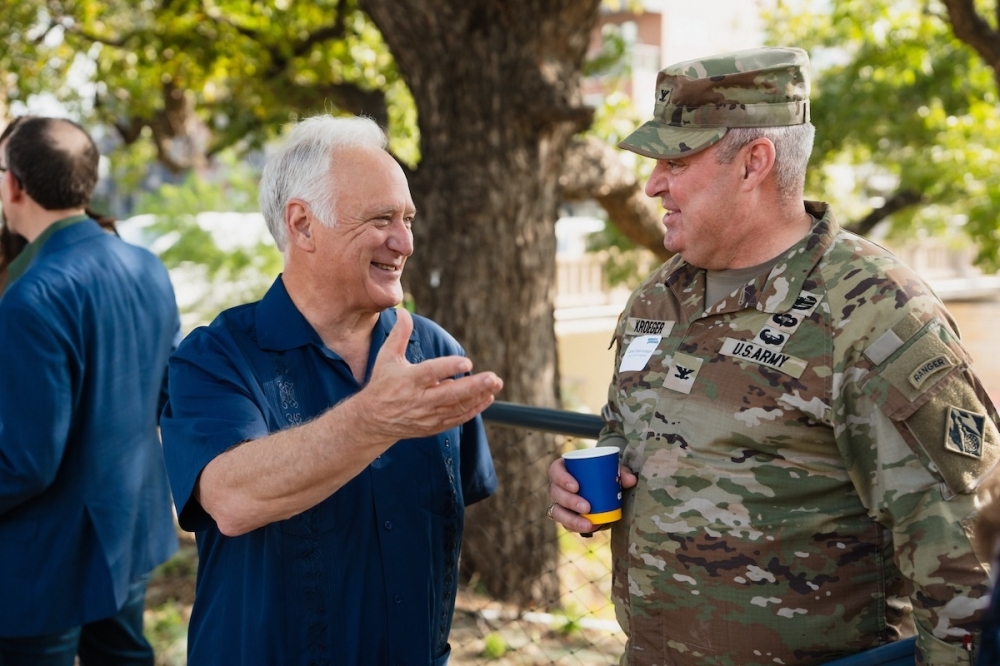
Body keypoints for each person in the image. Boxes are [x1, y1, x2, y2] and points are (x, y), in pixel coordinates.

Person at [547, 46, 1000, 665]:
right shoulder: (660, 296)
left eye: (676, 160)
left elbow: (963, 555)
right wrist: (582, 487)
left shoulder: (874, 312)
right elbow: (626, 435)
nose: (653, 184)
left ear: (753, 163)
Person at [159, 114, 504, 665]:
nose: (405, 242)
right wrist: (372, 420)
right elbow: (230, 499)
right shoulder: (216, 355)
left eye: (409, 219)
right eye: (381, 219)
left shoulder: (434, 350)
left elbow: (452, 512)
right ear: (302, 225)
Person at [0, 116, 181, 665]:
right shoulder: (147, 266)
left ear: (14, 185)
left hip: (45, 554)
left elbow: (25, 463)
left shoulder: (31, 298)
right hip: (128, 523)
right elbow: (162, 395)